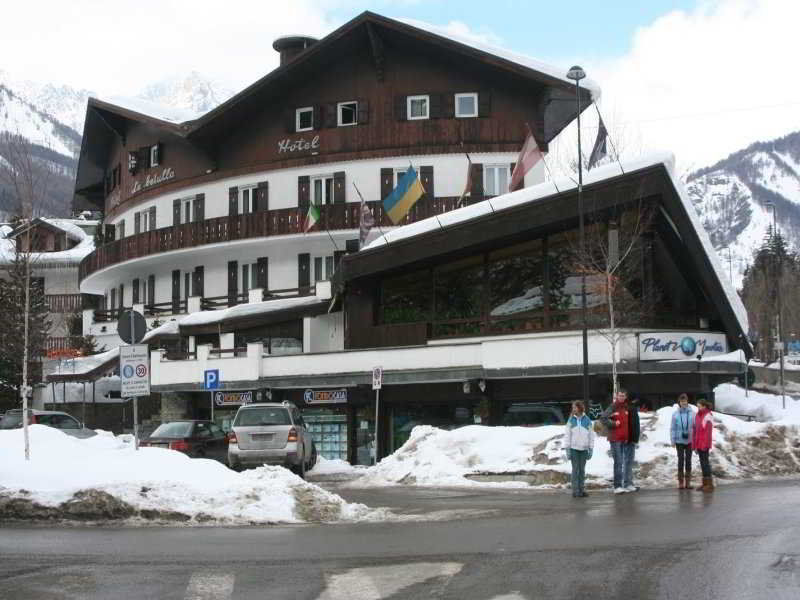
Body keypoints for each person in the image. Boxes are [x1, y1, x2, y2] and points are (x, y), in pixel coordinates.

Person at [602, 389, 632, 494]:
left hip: (624, 439)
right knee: (618, 462)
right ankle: (617, 486)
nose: (621, 397)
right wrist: (614, 424)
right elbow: (603, 418)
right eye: (620, 395)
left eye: (623, 396)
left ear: (626, 397)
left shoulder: (626, 407)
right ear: (617, 396)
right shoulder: (613, 406)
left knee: (622, 462)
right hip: (615, 439)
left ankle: (624, 485)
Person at [564, 400, 595, 498]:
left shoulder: (587, 420)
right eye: (573, 408)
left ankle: (581, 490)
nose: (573, 409)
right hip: (574, 449)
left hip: (584, 449)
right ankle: (575, 490)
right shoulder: (571, 420)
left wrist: (591, 448)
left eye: (575, 407)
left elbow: (591, 435)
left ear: (580, 408)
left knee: (582, 470)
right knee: (575, 469)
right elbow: (567, 435)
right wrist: (567, 449)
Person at [670, 393, 695, 489]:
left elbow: (695, 427)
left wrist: (695, 439)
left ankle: (688, 482)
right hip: (679, 440)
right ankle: (681, 482)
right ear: (679, 402)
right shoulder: (675, 414)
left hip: (689, 440)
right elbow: (672, 428)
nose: (683, 403)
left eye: (685, 401)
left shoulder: (692, 413)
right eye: (681, 401)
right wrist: (672, 440)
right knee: (680, 460)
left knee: (688, 460)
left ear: (687, 402)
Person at [692, 398, 715, 492]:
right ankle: (705, 483)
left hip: (704, 444)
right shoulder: (698, 415)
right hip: (699, 443)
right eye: (697, 406)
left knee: (705, 463)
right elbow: (695, 431)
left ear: (704, 406)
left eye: (700, 406)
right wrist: (695, 445)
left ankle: (709, 484)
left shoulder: (708, 416)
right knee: (702, 463)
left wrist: (704, 444)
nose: (698, 408)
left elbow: (708, 433)